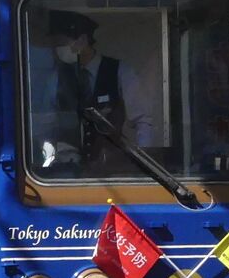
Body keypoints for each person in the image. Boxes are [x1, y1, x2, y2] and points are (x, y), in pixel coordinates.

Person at [43, 9, 155, 168]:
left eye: (62, 43)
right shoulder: (57, 77)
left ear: (82, 41)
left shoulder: (120, 71)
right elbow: (47, 123)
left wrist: (143, 161)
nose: (57, 49)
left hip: (111, 164)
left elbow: (143, 120)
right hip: (68, 168)